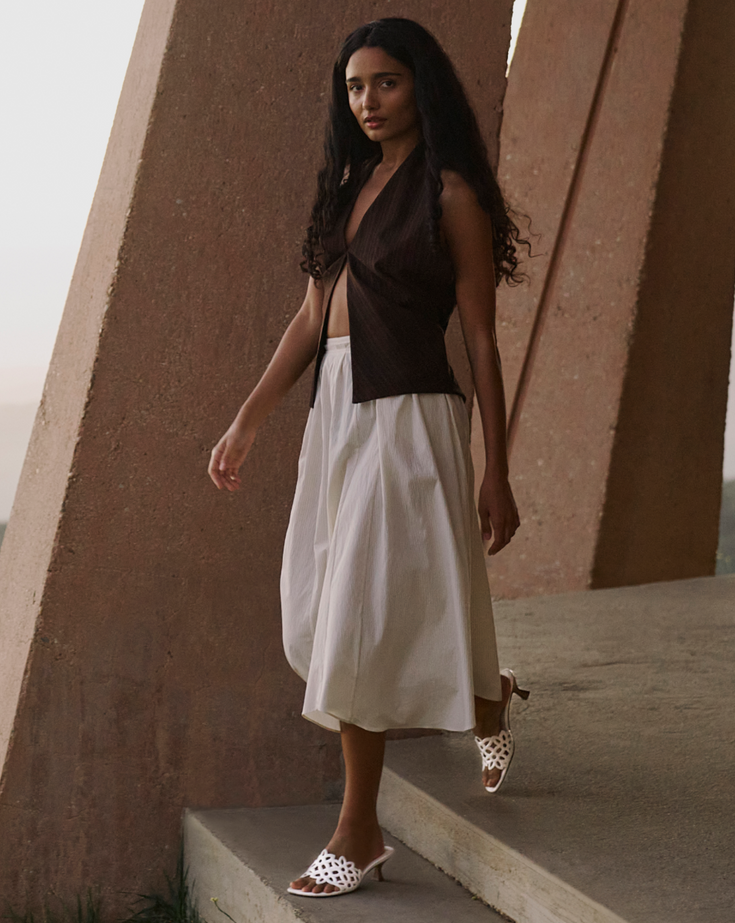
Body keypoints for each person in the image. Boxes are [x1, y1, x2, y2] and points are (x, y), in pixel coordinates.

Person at [205, 17, 530, 899]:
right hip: (337, 416)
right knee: (323, 608)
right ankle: (489, 695)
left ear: (420, 86)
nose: (368, 102)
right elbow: (313, 318)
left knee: (353, 615)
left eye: (385, 83)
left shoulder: (450, 194)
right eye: (355, 88)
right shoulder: (347, 184)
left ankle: (357, 830)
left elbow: (483, 341)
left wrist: (496, 468)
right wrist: (248, 419)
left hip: (411, 415)